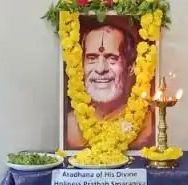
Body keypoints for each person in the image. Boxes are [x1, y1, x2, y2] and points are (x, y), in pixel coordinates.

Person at [63, 14, 157, 148]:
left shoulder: (148, 123)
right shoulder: (69, 124)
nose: (100, 69)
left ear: (131, 67)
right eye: (92, 58)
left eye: (112, 58)